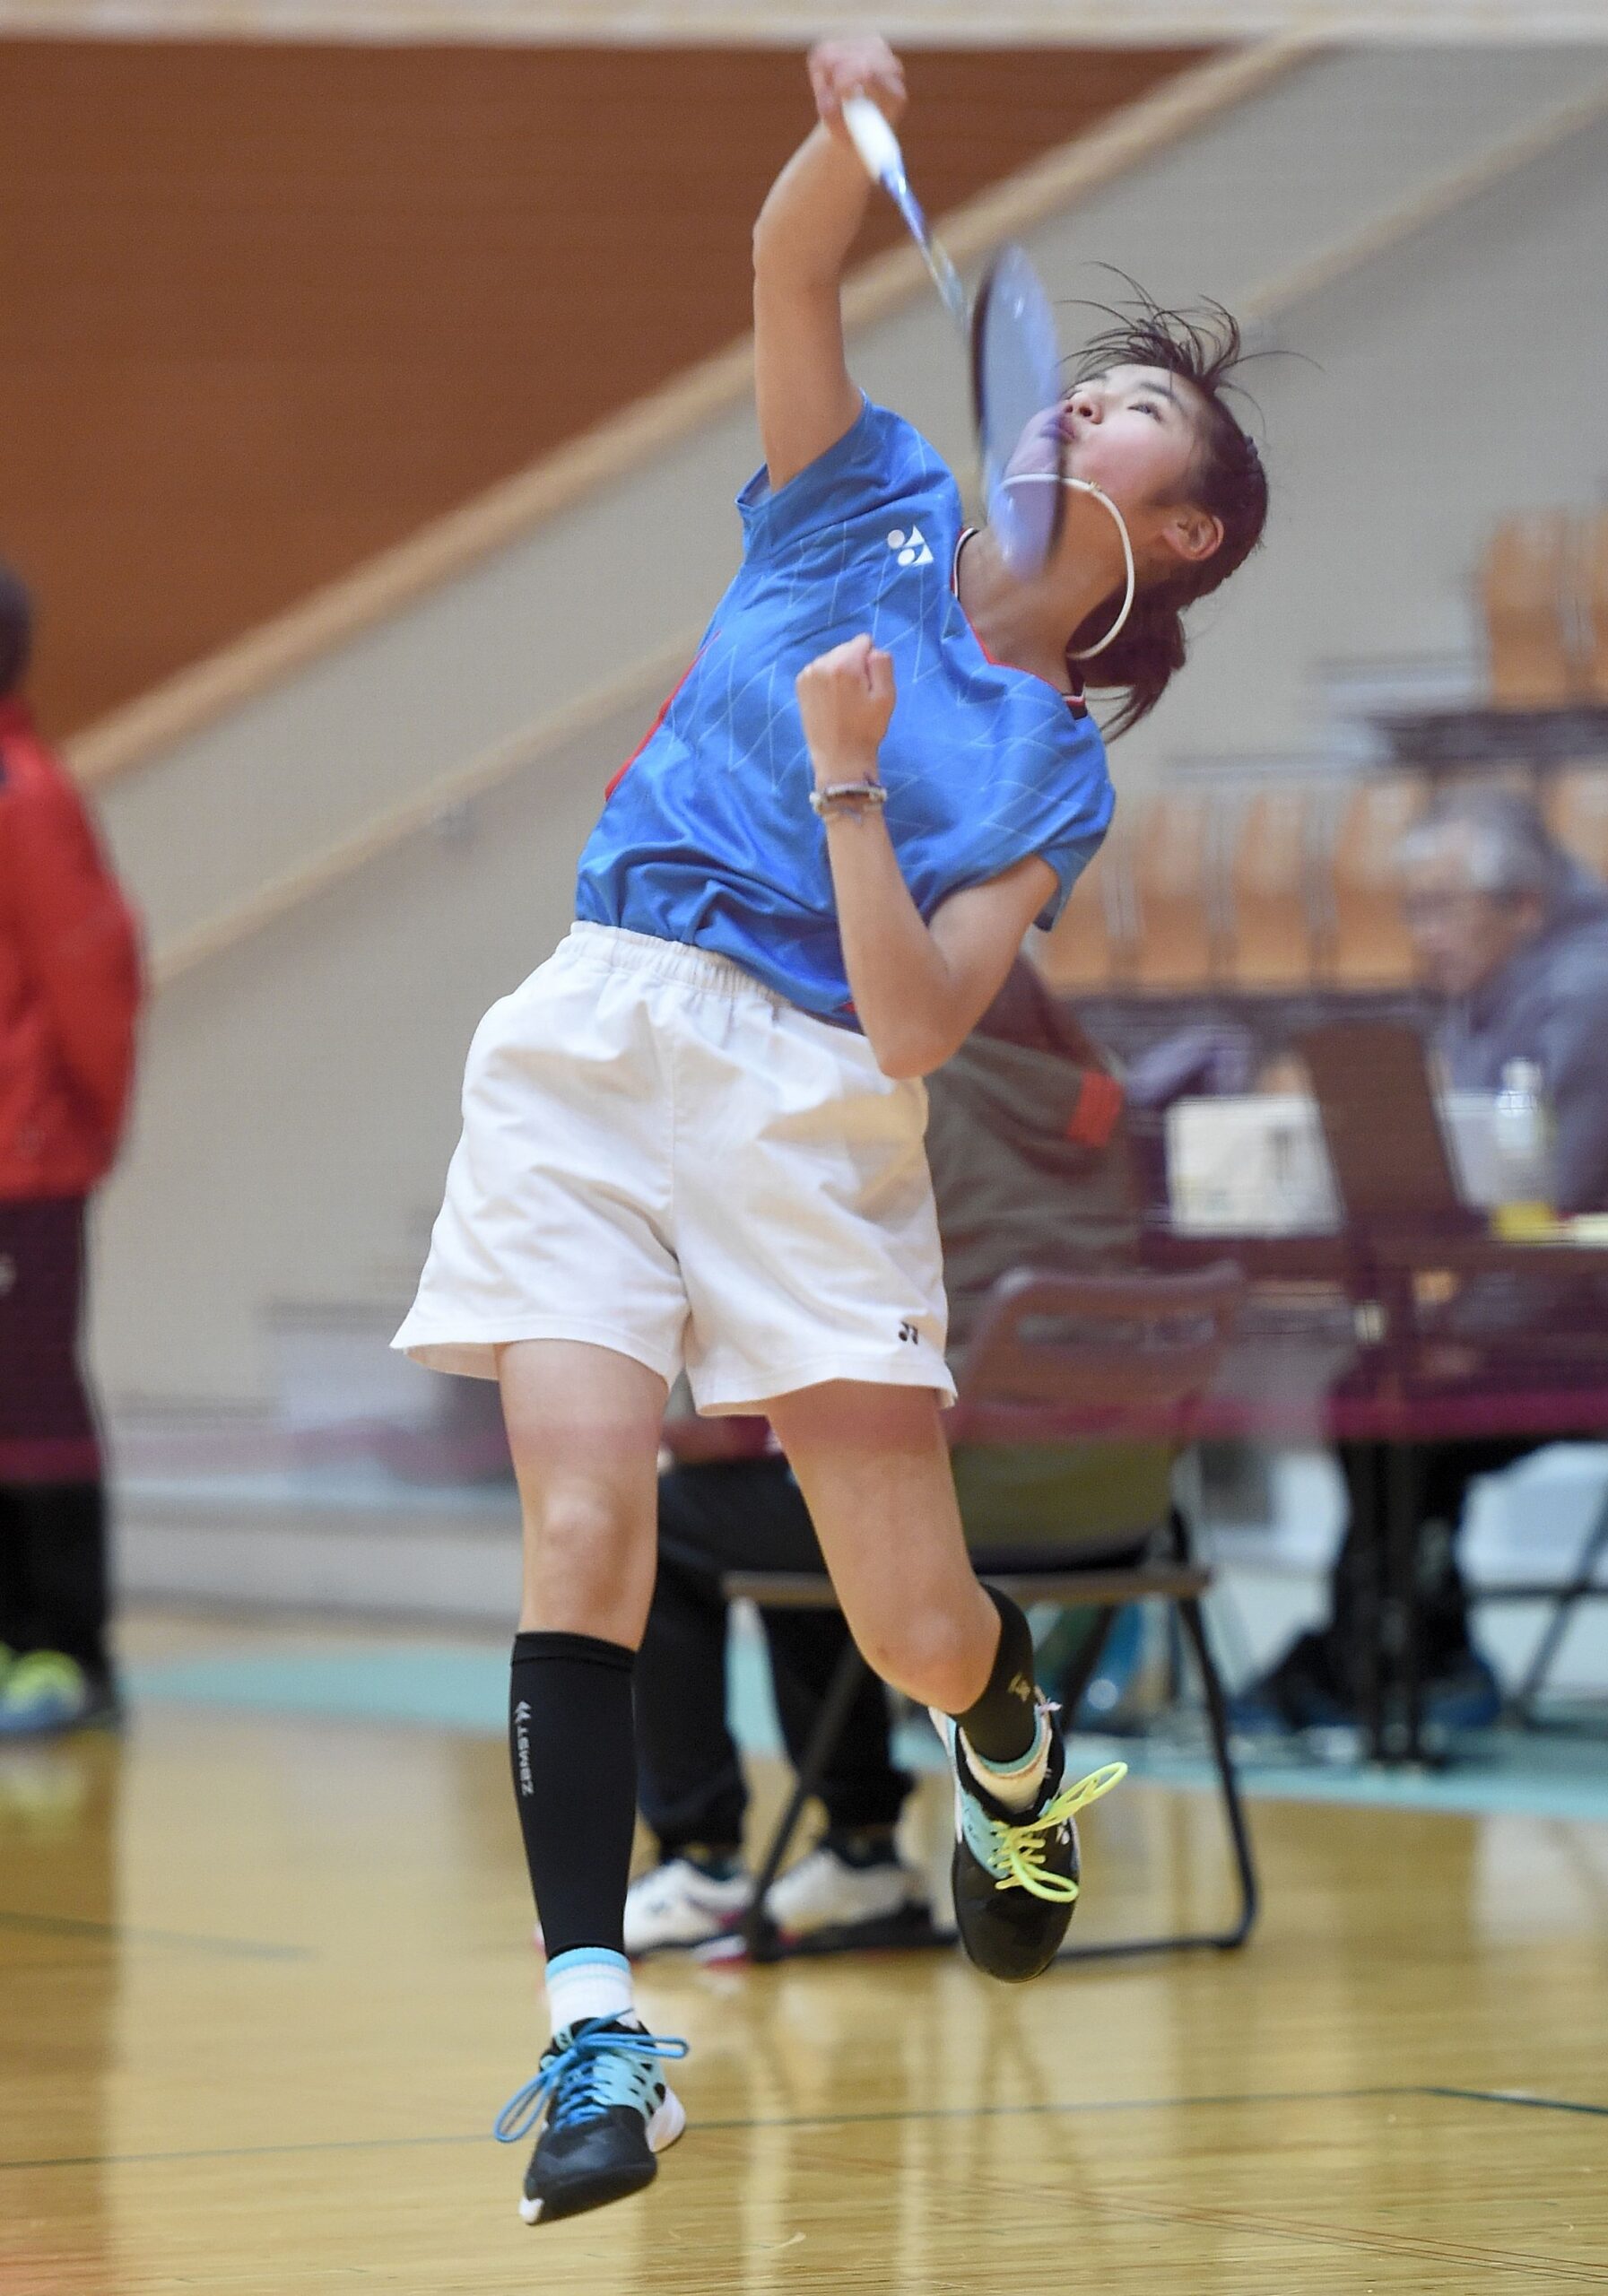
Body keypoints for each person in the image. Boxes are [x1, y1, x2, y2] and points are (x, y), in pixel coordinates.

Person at [394, 34, 1268, 2227]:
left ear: (1180, 538)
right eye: (1075, 391)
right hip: (594, 1023)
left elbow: (909, 1015)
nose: (1073, 412)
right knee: (584, 1520)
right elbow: (792, 266)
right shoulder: (855, 483)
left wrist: (858, 771)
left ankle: (1011, 1745)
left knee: (912, 1625)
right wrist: (837, 116)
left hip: (811, 1095)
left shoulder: (1051, 771)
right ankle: (598, 2021)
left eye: (1127, 423)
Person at [627, 956, 1169, 1958]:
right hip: (1117, 1501)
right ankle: (861, 1848)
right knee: (795, 1498)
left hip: (955, 1501)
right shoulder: (1102, 1107)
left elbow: (830, 1341)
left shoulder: (895, 1109)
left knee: (671, 1518)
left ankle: (711, 1860)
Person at [1238, 787, 1608, 1739]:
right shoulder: (1492, 997)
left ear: (1521, 905)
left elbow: (1551, 1211)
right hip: (1550, 1313)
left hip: (1581, 1323)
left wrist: (1458, 1337)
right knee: (1379, 1393)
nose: (1421, 934)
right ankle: (1393, 1652)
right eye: (1412, 910)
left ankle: (1399, 1659)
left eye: (1441, 907)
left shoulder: (1583, 994)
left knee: (1399, 1406)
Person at [0, 564, 143, 1735]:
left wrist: (76, 1127)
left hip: (24, 1161)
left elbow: (93, 978)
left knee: (32, 1399)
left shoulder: (24, 795)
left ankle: (64, 1647)